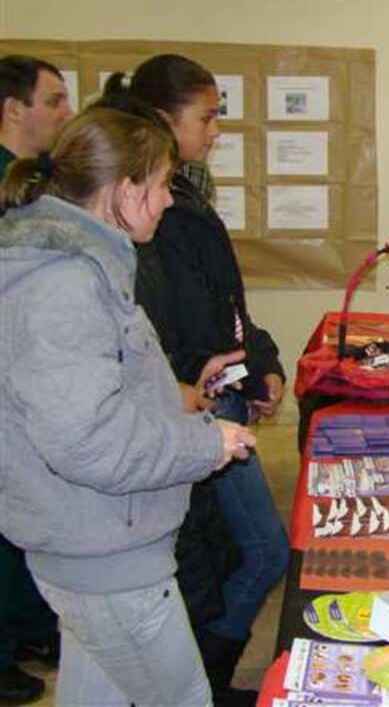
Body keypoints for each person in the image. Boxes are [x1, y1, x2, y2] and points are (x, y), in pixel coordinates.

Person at [0, 107, 255, 706]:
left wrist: (180, 397)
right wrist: (207, 442)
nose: (168, 201)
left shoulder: (78, 265)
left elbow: (100, 392)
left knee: (99, 694)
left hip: (90, 546)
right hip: (105, 556)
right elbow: (88, 440)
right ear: (125, 190)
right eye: (162, 185)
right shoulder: (63, 284)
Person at [100, 55, 290, 704]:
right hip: (191, 415)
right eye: (207, 117)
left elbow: (226, 308)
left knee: (243, 556)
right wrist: (192, 386)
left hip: (213, 396)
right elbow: (164, 341)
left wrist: (261, 360)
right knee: (257, 553)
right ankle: (200, 682)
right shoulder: (152, 223)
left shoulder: (187, 197)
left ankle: (202, 678)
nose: (215, 131)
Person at [0, 54, 74, 705]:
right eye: (53, 100)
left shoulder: (43, 182)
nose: (64, 112)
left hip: (36, 378)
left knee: (32, 514)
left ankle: (29, 627)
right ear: (13, 108)